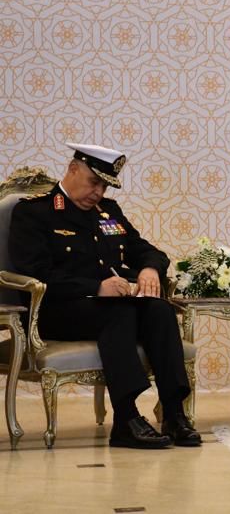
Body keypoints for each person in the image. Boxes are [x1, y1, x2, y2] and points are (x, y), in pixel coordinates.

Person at [8, 143, 200, 449]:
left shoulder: (108, 212)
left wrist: (150, 269)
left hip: (105, 309)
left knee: (159, 310)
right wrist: (95, 288)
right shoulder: (34, 212)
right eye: (93, 182)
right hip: (55, 311)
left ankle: (174, 414)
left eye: (104, 186)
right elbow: (37, 274)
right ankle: (126, 419)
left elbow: (146, 250)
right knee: (118, 312)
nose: (98, 192)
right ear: (73, 169)